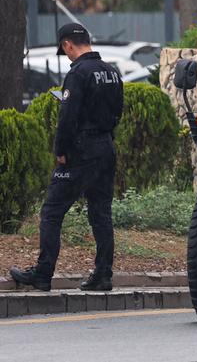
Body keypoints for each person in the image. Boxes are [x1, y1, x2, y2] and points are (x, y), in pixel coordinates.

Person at [10, 23, 124, 292]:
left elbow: (68, 117)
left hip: (81, 149)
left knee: (51, 212)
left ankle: (42, 273)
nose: (68, 55)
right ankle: (103, 274)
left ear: (67, 45)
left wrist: (61, 151)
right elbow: (118, 110)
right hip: (106, 147)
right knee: (101, 213)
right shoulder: (111, 72)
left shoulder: (78, 74)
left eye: (66, 51)